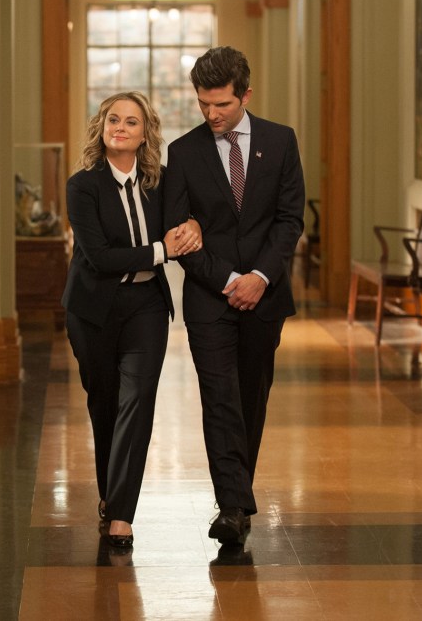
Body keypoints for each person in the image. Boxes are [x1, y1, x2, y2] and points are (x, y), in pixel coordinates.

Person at [163, 46, 305, 544]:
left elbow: (289, 220)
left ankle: (236, 498)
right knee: (219, 396)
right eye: (203, 103)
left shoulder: (281, 141)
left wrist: (260, 277)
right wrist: (227, 280)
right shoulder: (184, 152)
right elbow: (176, 232)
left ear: (246, 95)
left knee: (250, 398)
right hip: (210, 297)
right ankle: (232, 507)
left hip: (266, 296)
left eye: (221, 104)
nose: (211, 114)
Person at [62, 91, 202, 549]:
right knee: (104, 405)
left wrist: (193, 227)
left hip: (146, 305)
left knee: (137, 401)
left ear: (146, 134)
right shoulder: (82, 186)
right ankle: (110, 495)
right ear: (102, 128)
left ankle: (121, 515)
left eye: (131, 122)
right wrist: (163, 250)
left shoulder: (159, 183)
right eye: (113, 120)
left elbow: (185, 222)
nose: (120, 127)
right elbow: (100, 257)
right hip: (94, 311)